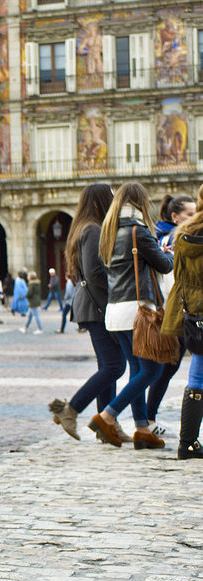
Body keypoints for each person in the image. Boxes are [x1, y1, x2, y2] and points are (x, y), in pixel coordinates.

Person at [87, 182, 173, 448]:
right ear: (140, 203)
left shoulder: (108, 233)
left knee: (137, 369)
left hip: (115, 311)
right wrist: (166, 253)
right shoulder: (138, 231)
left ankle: (142, 429)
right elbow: (164, 265)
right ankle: (107, 415)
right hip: (137, 310)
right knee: (152, 369)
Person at [48, 183, 130, 441]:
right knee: (115, 367)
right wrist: (113, 302)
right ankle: (70, 410)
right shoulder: (92, 229)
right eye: (111, 198)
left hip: (91, 303)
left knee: (108, 365)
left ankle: (107, 425)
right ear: (100, 202)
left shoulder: (83, 227)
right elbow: (94, 272)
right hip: (98, 304)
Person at [146, 194, 195, 437]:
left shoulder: (167, 236)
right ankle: (147, 417)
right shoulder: (177, 238)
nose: (194, 217)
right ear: (175, 216)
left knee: (168, 367)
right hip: (180, 310)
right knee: (167, 367)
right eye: (189, 214)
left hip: (179, 309)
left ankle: (147, 416)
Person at [161, 184, 203, 459]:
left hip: (196, 314)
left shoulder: (185, 234)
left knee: (198, 373)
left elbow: (179, 281)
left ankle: (187, 442)